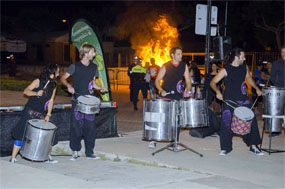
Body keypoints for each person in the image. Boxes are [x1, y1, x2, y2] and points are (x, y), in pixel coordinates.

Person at [210, 48, 264, 156]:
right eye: (243, 56)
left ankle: (253, 146)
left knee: (251, 121)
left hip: (243, 100)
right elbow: (213, 82)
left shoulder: (244, 67)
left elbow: (248, 78)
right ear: (236, 57)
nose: (244, 58)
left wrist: (256, 88)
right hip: (229, 100)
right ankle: (226, 148)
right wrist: (217, 92)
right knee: (226, 123)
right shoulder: (226, 70)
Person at [60, 43, 107, 160]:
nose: (94, 54)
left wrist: (100, 88)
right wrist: (68, 86)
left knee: (90, 128)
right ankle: (75, 151)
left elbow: (93, 83)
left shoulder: (94, 67)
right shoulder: (74, 66)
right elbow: (62, 78)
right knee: (76, 127)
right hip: (77, 101)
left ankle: (89, 152)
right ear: (86, 53)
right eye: (92, 52)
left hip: (90, 102)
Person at [10, 64, 59, 163]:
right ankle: (13, 157)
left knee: (45, 135)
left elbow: (51, 100)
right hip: (29, 112)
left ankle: (46, 156)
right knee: (21, 133)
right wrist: (36, 93)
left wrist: (49, 114)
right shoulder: (38, 81)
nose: (59, 73)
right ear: (52, 73)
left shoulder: (53, 85)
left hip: (42, 114)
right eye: (57, 71)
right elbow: (26, 91)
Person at [149, 47, 191, 149]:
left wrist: (188, 90)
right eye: (178, 54)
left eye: (181, 54)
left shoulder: (184, 66)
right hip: (165, 96)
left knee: (175, 120)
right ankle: (154, 139)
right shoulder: (166, 66)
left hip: (177, 96)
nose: (181, 56)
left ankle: (174, 143)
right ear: (172, 55)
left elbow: (188, 81)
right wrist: (161, 90)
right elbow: (157, 81)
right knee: (161, 119)